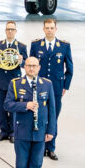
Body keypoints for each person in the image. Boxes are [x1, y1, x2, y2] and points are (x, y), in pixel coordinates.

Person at [5, 56, 56, 168]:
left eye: (34, 66)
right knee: (21, 163)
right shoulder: (15, 84)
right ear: (24, 67)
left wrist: (51, 131)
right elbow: (7, 104)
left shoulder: (46, 84)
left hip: (40, 131)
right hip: (22, 130)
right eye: (29, 66)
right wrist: (25, 106)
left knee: (36, 163)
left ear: (39, 67)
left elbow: (52, 110)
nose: (32, 68)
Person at [30, 18, 73, 160]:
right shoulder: (36, 45)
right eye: (47, 28)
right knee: (41, 117)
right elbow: (31, 66)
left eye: (51, 28)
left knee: (53, 118)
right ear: (43, 29)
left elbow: (69, 68)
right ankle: (41, 147)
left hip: (56, 88)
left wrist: (65, 86)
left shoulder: (64, 46)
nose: (49, 30)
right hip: (40, 87)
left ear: (56, 29)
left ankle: (51, 147)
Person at [0, 21, 28, 142]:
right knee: (1, 108)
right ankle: (3, 131)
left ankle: (13, 133)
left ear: (15, 31)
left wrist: (21, 61)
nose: (10, 31)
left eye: (12, 29)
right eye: (8, 29)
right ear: (5, 31)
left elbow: (26, 65)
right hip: (0, 80)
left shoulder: (21, 47)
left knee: (12, 108)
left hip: (14, 82)